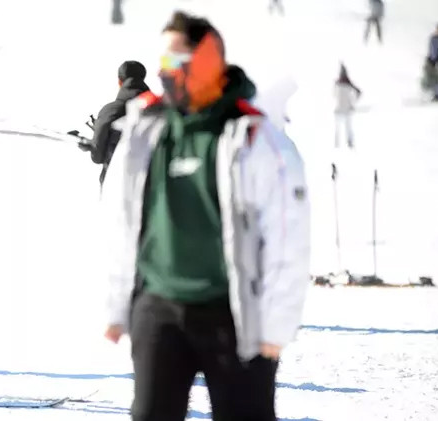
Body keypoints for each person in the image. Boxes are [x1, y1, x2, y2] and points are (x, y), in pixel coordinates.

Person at [101, 12, 310, 421]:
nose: (164, 75)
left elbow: (288, 233)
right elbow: (119, 218)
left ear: (209, 61)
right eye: (162, 64)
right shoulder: (147, 128)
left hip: (232, 315)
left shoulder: (254, 136)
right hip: (159, 309)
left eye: (175, 64)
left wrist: (277, 326)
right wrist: (118, 305)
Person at [84, 61, 150, 185]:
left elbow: (97, 156)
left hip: (118, 186)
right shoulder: (158, 108)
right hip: (154, 184)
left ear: (120, 81)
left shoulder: (111, 111)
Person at [334, 64, 361, 148]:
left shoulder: (337, 83)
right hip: (346, 109)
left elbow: (334, 95)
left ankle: (337, 144)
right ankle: (349, 143)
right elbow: (359, 92)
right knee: (348, 128)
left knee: (338, 129)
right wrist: (353, 102)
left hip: (339, 109)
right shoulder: (348, 84)